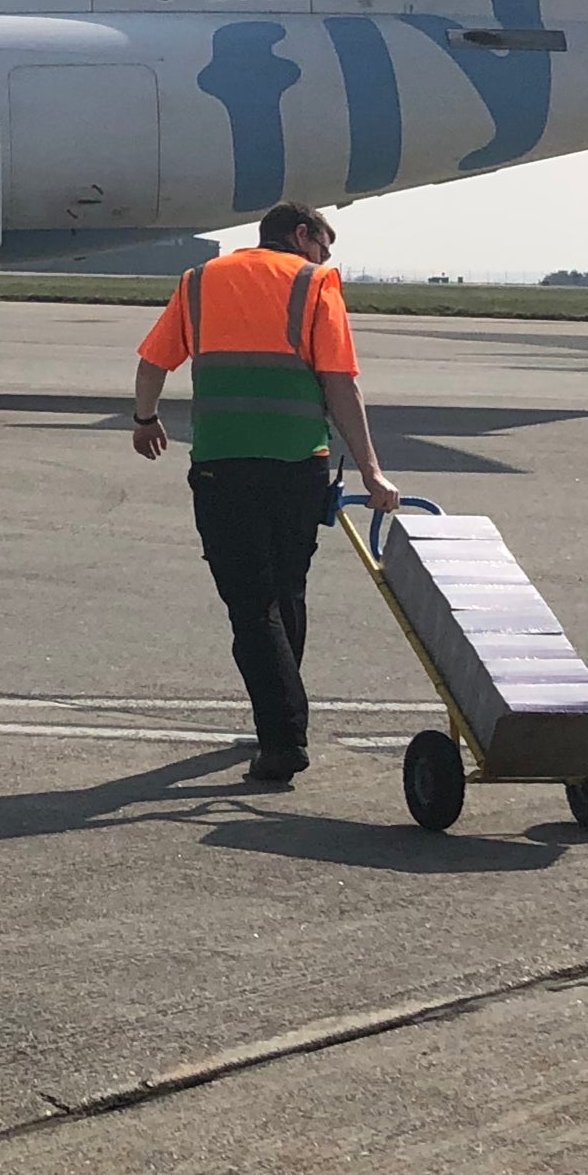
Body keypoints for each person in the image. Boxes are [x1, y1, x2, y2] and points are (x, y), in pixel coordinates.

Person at [131, 201, 404, 787]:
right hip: (299, 467)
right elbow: (339, 383)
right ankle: (281, 719)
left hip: (222, 468)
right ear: (301, 236)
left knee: (252, 606)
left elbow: (154, 360)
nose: (326, 259)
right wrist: (372, 470)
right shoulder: (315, 284)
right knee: (286, 592)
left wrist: (145, 418)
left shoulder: (199, 281)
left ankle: (282, 737)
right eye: (323, 246)